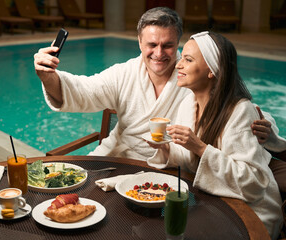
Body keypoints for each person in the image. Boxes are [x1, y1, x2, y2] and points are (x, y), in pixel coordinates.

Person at [34, 7, 278, 160]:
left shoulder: (197, 76)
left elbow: (237, 109)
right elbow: (81, 92)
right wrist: (49, 76)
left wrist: (267, 129)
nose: (159, 53)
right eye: (151, 45)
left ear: (178, 43)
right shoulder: (124, 74)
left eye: (168, 45)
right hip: (121, 157)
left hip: (172, 165)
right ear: (140, 43)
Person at [146, 31, 284, 239]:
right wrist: (165, 148)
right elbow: (190, 160)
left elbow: (252, 182)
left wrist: (200, 147)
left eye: (188, 60)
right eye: (181, 57)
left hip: (249, 212)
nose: (178, 65)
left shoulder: (239, 111)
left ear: (212, 70)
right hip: (210, 201)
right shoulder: (187, 104)